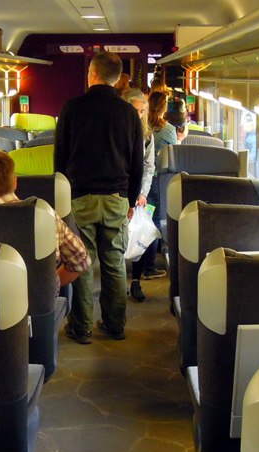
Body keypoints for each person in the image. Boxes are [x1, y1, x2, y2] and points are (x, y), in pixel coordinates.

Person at [54, 51, 144, 344]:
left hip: (79, 199)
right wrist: (130, 201)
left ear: (92, 74)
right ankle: (115, 325)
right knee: (114, 263)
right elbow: (137, 164)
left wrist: (61, 201)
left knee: (82, 262)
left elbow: (60, 159)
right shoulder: (129, 113)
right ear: (116, 79)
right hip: (117, 197)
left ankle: (81, 328)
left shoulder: (72, 108)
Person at [0, 150, 90, 294]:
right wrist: (48, 286)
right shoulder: (46, 216)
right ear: (15, 181)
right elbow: (82, 262)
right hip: (41, 304)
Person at [122, 89, 159, 303]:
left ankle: (136, 280)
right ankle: (119, 281)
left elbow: (149, 166)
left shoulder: (147, 136)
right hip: (120, 190)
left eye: (142, 111)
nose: (139, 114)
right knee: (118, 237)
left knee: (141, 234)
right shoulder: (116, 132)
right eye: (135, 110)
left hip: (141, 193)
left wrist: (142, 193)